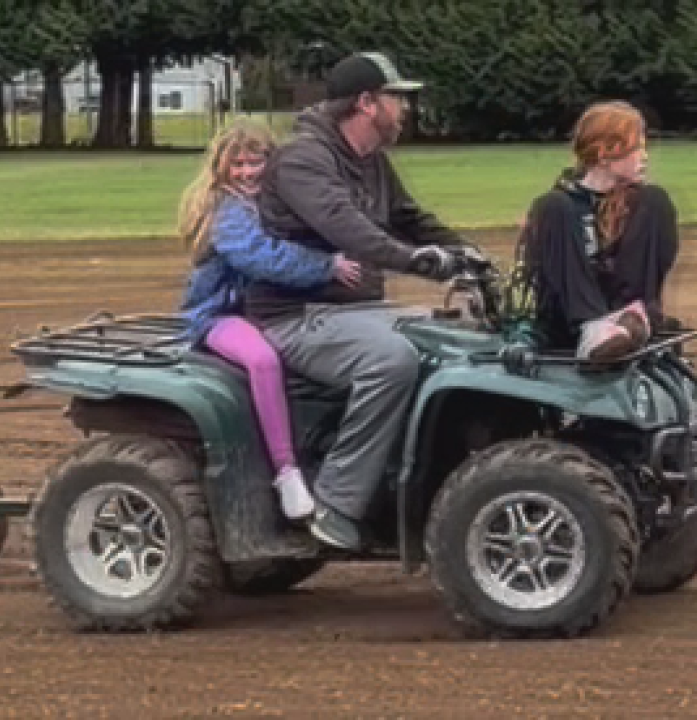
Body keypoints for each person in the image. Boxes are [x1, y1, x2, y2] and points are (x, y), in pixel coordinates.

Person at [244, 51, 479, 551]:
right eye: (398, 98)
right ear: (367, 103)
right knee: (391, 361)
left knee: (458, 340)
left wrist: (470, 256)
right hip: (296, 317)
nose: (406, 109)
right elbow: (350, 231)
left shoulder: (370, 161)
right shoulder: (304, 159)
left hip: (354, 312)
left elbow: (412, 218)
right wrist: (421, 262)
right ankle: (335, 502)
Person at [177, 120, 364, 522]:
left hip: (271, 311)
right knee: (263, 361)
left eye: (255, 162)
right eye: (237, 165)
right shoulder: (228, 211)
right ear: (221, 168)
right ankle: (286, 471)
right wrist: (325, 267)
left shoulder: (277, 203)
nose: (246, 174)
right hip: (221, 315)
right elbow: (258, 256)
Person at [501, 100, 682, 370]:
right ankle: (595, 331)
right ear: (604, 154)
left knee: (654, 200)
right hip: (569, 323)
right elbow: (529, 283)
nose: (644, 156)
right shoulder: (558, 206)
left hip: (630, 317)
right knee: (554, 206)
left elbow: (661, 261)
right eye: (637, 148)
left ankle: (629, 324)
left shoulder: (643, 204)